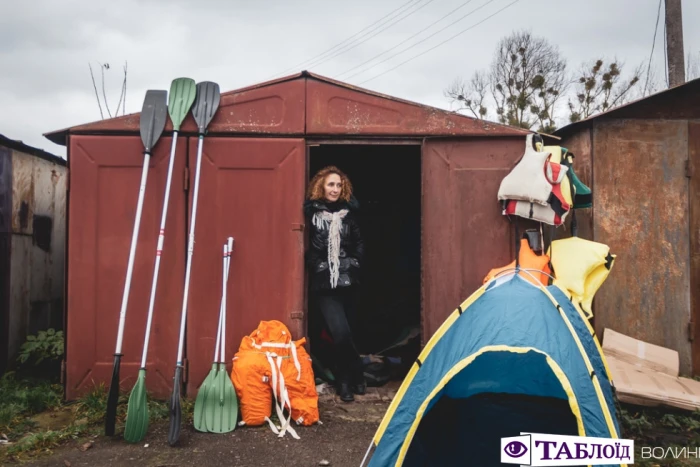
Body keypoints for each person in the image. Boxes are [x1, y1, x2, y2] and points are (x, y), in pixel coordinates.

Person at [303, 166, 366, 402]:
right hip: (325, 284)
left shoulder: (349, 215)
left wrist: (353, 263)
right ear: (321, 186)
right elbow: (305, 245)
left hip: (349, 281)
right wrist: (319, 266)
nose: (335, 189)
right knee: (339, 333)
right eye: (331, 184)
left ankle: (353, 376)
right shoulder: (312, 215)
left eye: (339, 185)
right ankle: (347, 378)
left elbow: (359, 244)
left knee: (349, 333)